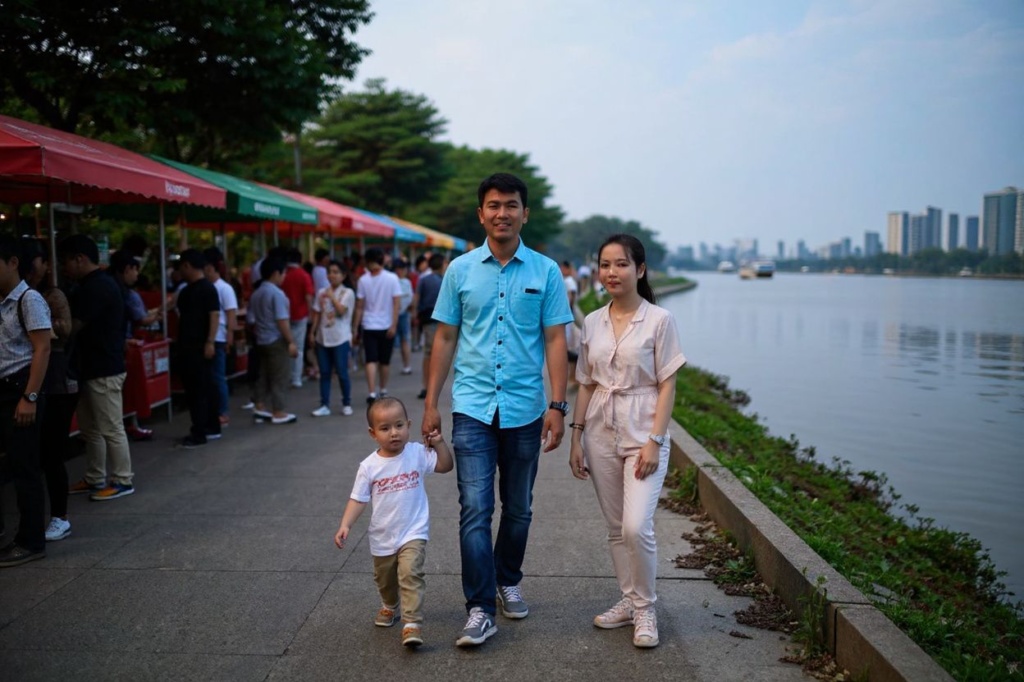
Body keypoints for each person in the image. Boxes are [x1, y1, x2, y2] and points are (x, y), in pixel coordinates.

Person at [421, 172, 573, 647]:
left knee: (520, 508)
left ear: (524, 213)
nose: (502, 213)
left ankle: (508, 579)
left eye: (511, 205)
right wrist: (430, 404)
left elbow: (555, 339)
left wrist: (557, 404)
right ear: (481, 213)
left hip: (526, 407)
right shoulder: (460, 271)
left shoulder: (545, 271)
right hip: (471, 406)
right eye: (493, 205)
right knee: (475, 508)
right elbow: (444, 337)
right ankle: (480, 607)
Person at [568, 234, 686, 649]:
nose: (611, 272)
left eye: (621, 264)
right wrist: (576, 437)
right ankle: (630, 602)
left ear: (640, 269)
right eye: (605, 264)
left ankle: (647, 608)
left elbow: (668, 385)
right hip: (600, 427)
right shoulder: (592, 320)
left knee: (638, 526)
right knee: (616, 528)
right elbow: (584, 383)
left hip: (643, 431)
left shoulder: (660, 320)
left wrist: (655, 440)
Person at [334, 397, 453, 648]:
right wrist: (346, 524)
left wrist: (440, 443)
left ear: (408, 424)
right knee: (385, 579)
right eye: (385, 428)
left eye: (399, 425)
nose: (394, 433)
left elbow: (445, 465)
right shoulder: (369, 467)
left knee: (411, 573)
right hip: (382, 535)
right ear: (372, 433)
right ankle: (390, 605)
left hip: (413, 530)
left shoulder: (417, 453)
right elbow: (358, 499)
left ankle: (411, 624)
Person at [61, 234, 136, 501]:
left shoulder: (97, 287)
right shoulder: (93, 284)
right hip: (91, 367)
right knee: (91, 429)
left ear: (79, 258)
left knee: (110, 427)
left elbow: (73, 327)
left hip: (104, 368)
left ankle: (122, 480)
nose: (62, 268)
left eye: (66, 261)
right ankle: (95, 477)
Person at [22, 238, 78, 543]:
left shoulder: (48, 296)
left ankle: (60, 516)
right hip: (31, 382)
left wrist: (39, 327)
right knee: (33, 455)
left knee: (51, 453)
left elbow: (64, 331)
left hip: (54, 381)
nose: (42, 267)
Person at [0, 234, 51, 567]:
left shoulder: (28, 300)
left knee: (25, 467)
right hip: (4, 389)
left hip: (21, 388)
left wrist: (29, 397)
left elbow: (42, 348)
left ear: (13, 263)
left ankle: (31, 541)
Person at [175, 249, 222, 448]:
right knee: (204, 387)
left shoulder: (207, 289)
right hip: (189, 345)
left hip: (199, 347)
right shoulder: (186, 291)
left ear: (187, 265)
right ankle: (211, 426)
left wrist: (210, 341)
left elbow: (214, 315)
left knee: (198, 390)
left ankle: (200, 430)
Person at [249, 256, 298, 424]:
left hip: (261, 339)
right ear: (276, 273)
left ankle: (259, 405)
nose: (284, 277)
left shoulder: (257, 293)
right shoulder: (276, 294)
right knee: (279, 376)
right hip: (276, 340)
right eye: (283, 273)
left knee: (263, 374)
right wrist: (291, 341)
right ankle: (278, 411)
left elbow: (250, 320)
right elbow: (282, 320)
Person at [352, 248, 401, 404]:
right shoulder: (392, 278)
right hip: (386, 324)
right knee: (384, 361)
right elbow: (396, 304)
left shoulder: (362, 280)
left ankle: (372, 392)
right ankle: (383, 389)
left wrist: (355, 327)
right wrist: (394, 324)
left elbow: (359, 306)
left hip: (368, 325)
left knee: (371, 360)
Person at [310, 260, 355, 417]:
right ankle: (324, 404)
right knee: (324, 372)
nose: (332, 275)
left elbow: (342, 311)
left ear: (343, 275)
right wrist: (312, 331)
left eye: (336, 272)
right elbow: (316, 313)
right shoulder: (321, 292)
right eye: (330, 272)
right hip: (323, 337)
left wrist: (331, 297)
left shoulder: (348, 293)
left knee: (342, 372)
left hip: (340, 337)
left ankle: (347, 402)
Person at [202, 247, 238, 427]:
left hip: (220, 337)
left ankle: (222, 411)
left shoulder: (225, 288)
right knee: (212, 376)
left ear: (210, 267)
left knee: (218, 376)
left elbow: (231, 314)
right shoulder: (207, 287)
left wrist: (230, 336)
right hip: (210, 336)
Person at [413, 253, 445, 400]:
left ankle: (426, 385)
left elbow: (416, 298)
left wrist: (414, 314)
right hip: (440, 320)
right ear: (442, 264)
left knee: (428, 353)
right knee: (435, 353)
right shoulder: (444, 280)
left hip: (427, 319)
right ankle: (431, 386)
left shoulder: (423, 280)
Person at [281, 248, 313, 388]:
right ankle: (296, 378)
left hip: (283, 316)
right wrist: (311, 313)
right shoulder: (304, 275)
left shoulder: (282, 275)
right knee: (298, 348)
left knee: (285, 346)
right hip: (301, 315)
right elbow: (308, 296)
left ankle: (286, 376)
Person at [393, 259, 414, 376]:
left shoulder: (406, 282)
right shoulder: (395, 281)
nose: (401, 271)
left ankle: (407, 365)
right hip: (397, 314)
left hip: (402, 314)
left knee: (404, 340)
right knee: (402, 340)